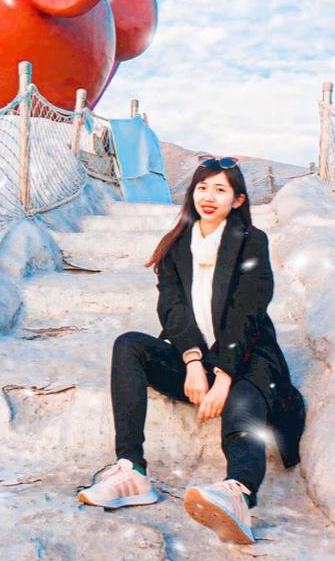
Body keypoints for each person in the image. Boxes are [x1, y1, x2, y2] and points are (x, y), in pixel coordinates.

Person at [77, 156, 306, 545]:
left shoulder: (251, 240)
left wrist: (224, 377)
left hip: (248, 358)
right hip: (197, 361)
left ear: (237, 200)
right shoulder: (176, 244)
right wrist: (193, 362)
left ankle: (238, 493)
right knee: (129, 345)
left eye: (220, 189)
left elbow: (247, 313)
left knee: (242, 403)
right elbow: (172, 309)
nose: (209, 197)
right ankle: (131, 471)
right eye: (202, 188)